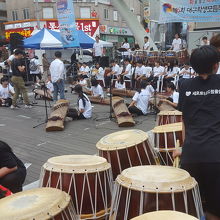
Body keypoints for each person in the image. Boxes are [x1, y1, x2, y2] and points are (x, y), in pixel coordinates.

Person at [173, 45, 220, 220]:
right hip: (216, 156)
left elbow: (184, 120)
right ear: (216, 65)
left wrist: (184, 149)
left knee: (191, 206)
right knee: (215, 209)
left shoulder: (185, 85)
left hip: (191, 155)